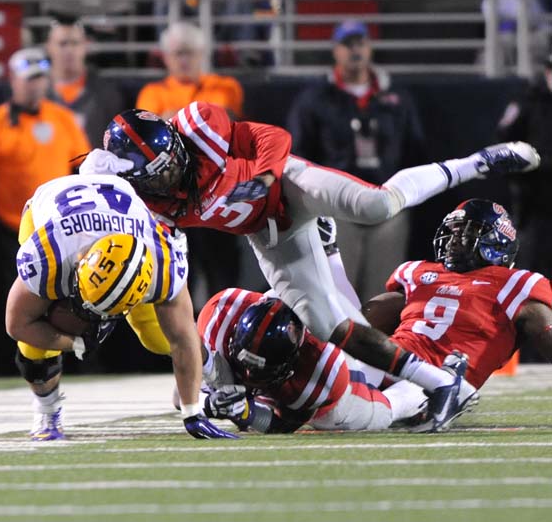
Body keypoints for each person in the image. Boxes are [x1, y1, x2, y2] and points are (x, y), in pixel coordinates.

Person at [101, 103, 540, 431]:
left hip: (290, 185)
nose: (171, 171)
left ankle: (477, 162)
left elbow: (272, 137)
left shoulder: (198, 125)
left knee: (375, 204)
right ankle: (439, 382)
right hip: (271, 234)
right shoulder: (148, 204)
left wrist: (268, 177)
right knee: (328, 323)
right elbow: (168, 263)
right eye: (155, 173)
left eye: (169, 159)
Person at [5, 161, 237, 441]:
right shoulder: (50, 254)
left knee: (158, 335)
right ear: (79, 264)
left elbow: (182, 338)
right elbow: (16, 322)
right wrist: (75, 342)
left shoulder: (163, 262)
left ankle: (216, 373)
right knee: (38, 338)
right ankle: (46, 409)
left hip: (123, 228)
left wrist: (192, 412)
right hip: (55, 210)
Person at [0, 47, 90, 374]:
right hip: (12, 235)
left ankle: (76, 363)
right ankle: (16, 366)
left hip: (63, 233)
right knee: (17, 307)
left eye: (40, 79)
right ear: (13, 81)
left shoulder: (62, 120)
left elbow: (82, 171)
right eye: (28, 80)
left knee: (72, 301)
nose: (35, 86)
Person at [287, 20, 426, 303]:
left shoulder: (396, 97)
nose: (355, 50)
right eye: (348, 45)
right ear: (335, 51)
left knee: (383, 295)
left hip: (388, 204)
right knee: (338, 294)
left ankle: (379, 347)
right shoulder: (315, 99)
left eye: (360, 43)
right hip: (338, 207)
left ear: (370, 47)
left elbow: (415, 148)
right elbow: (298, 153)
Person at [359, 199, 552, 400]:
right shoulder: (418, 273)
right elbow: (361, 323)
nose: (452, 241)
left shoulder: (515, 284)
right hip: (385, 363)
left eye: (465, 234)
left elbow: (546, 331)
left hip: (428, 384)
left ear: (497, 240)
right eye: (452, 233)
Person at [197, 288, 430, 433]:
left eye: (260, 373)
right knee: (195, 384)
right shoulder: (220, 315)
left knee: (368, 414)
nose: (249, 377)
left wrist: (249, 414)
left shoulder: (321, 368)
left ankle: (428, 386)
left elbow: (285, 424)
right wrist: (207, 403)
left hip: (334, 339)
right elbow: (184, 392)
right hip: (310, 308)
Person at [136, 21, 245, 308]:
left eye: (190, 52)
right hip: (174, 202)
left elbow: (232, 128)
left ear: (202, 54)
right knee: (177, 284)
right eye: (177, 53)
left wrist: (175, 120)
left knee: (225, 282)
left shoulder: (226, 87)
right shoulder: (153, 92)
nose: (184, 60)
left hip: (218, 196)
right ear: (166, 58)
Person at [495, 54, 552, 359]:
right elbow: (504, 142)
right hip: (536, 208)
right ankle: (527, 353)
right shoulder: (528, 102)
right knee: (530, 281)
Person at [45, 16, 124, 149]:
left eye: (75, 43)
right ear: (49, 47)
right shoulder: (36, 92)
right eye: (62, 43)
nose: (69, 50)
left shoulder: (106, 93)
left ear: (86, 46)